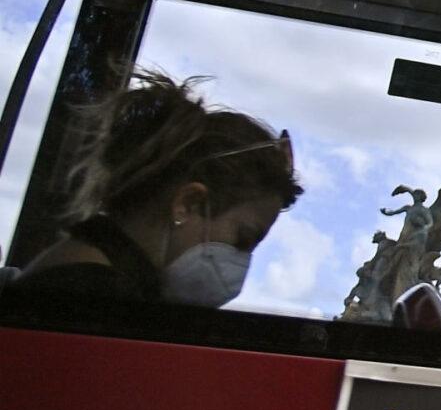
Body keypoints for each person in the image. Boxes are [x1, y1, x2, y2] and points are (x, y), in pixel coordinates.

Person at [9, 70, 299, 306]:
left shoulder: (79, 270)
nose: (241, 264)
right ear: (188, 203)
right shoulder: (93, 302)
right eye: (243, 239)